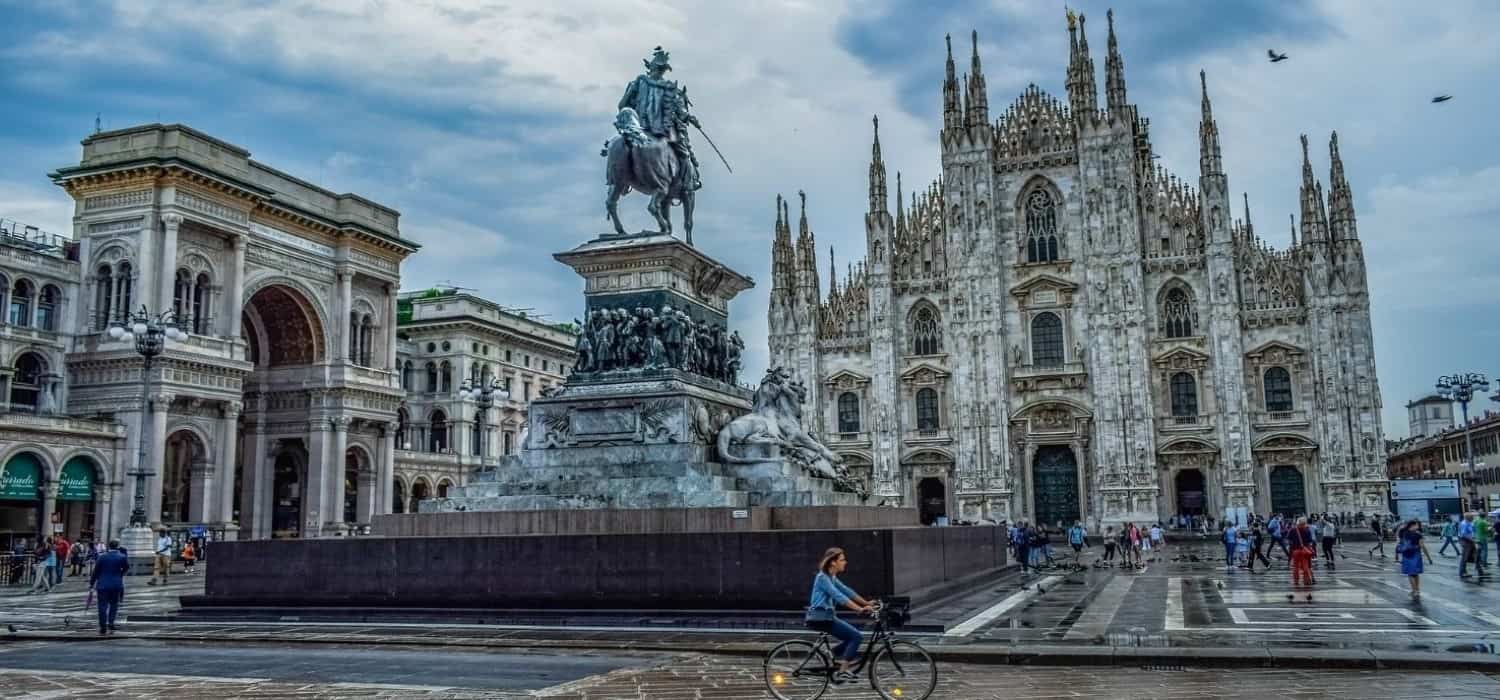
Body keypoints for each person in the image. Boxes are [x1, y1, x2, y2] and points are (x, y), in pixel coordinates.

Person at [805, 547, 873, 685]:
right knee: (856, 636)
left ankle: (826, 654)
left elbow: (847, 591)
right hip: (821, 617)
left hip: (827, 616)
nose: (845, 562)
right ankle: (843, 671)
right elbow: (839, 596)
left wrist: (867, 603)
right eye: (842, 560)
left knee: (851, 637)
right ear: (833, 562)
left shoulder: (831, 577)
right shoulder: (822, 578)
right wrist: (859, 609)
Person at [89, 539, 130, 635]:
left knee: (102, 605)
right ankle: (111, 623)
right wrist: (120, 574)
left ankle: (103, 625)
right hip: (116, 584)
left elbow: (96, 571)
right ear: (117, 546)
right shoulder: (122, 557)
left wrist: (91, 583)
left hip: (102, 584)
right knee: (114, 604)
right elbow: (127, 568)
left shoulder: (102, 557)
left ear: (109, 546)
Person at [1397, 519, 1432, 598]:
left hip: (1406, 555)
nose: (1418, 526)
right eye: (1417, 525)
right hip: (1416, 555)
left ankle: (1414, 590)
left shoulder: (1404, 533)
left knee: (1410, 574)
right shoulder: (1418, 535)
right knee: (1415, 573)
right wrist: (1429, 558)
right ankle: (1417, 590)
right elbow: (1423, 546)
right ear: (1412, 525)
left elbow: (1400, 543)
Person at [1286, 516, 1317, 586]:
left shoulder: (1292, 530)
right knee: (1305, 567)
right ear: (1304, 523)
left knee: (1295, 567)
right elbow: (1309, 541)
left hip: (1295, 551)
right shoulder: (1307, 530)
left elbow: (1289, 540)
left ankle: (1296, 581)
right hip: (1304, 551)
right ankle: (1307, 580)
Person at [1459, 512, 1479, 580]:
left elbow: (1471, 532)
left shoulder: (1468, 523)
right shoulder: (1464, 523)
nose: (1473, 518)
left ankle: (1478, 568)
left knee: (1475, 554)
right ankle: (1462, 572)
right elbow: (1464, 534)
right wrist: (1473, 540)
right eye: (1472, 517)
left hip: (1469, 541)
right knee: (1464, 557)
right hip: (1466, 541)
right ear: (1469, 517)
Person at [1476, 512, 1492, 576]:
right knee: (1485, 551)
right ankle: (1484, 563)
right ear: (1484, 516)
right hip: (1483, 537)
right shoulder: (1483, 522)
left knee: (1480, 550)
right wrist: (1490, 528)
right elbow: (1486, 530)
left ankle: (1481, 561)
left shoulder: (1477, 521)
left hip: (1478, 537)